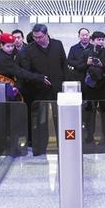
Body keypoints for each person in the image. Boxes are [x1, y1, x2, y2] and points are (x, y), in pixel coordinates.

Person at [19, 24, 68, 155]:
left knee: (60, 118)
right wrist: (38, 79)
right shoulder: (29, 49)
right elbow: (26, 71)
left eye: (40, 37)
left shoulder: (57, 45)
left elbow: (64, 65)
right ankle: (40, 148)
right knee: (41, 121)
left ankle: (63, 145)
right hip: (39, 91)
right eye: (35, 37)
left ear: (46, 34)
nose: (37, 40)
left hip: (58, 89)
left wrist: (65, 84)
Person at [80, 31, 105, 145]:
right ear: (92, 40)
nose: (101, 42)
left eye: (102, 39)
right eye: (98, 39)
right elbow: (80, 69)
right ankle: (89, 136)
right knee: (90, 114)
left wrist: (102, 65)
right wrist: (87, 63)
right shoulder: (86, 52)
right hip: (90, 88)